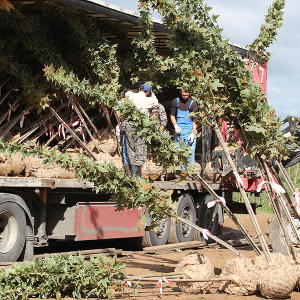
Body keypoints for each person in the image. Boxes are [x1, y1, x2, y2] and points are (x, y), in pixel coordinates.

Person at [121, 83, 158, 176]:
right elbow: (156, 102)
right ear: (148, 91)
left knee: (131, 149)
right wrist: (152, 93)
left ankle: (132, 175)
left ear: (139, 89)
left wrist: (134, 91)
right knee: (140, 150)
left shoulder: (131, 95)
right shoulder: (148, 100)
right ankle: (136, 175)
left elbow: (126, 91)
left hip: (129, 126)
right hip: (140, 128)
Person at [170, 90, 197, 165]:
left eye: (187, 95)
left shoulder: (193, 104)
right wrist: (175, 125)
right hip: (179, 132)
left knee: (190, 153)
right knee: (178, 153)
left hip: (189, 132)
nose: (185, 97)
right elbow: (172, 115)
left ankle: (190, 174)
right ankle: (179, 174)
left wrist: (193, 133)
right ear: (180, 93)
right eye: (183, 95)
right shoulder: (175, 102)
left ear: (189, 94)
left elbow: (195, 120)